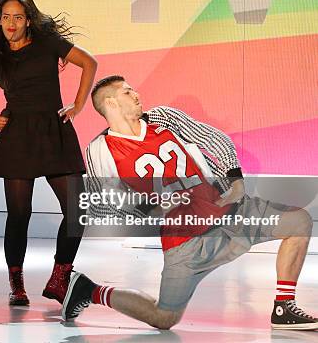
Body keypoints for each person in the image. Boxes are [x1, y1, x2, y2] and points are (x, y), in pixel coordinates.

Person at [62, 75, 318, 330]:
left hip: (230, 213)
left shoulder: (162, 118)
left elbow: (211, 138)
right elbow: (103, 206)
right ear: (111, 103)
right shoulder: (100, 149)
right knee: (164, 318)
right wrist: (153, 208)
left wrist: (235, 180)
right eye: (128, 92)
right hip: (186, 243)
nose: (137, 95)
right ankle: (90, 291)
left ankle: (283, 307)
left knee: (299, 222)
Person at [0, 0, 97, 305]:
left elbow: (89, 63)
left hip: (54, 131)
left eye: (18, 16)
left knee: (78, 210)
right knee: (19, 214)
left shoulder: (49, 45)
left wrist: (77, 104)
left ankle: (60, 277)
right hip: (17, 135)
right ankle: (16, 284)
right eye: (5, 16)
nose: (11, 22)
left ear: (28, 19)